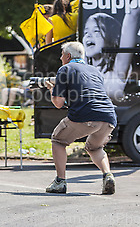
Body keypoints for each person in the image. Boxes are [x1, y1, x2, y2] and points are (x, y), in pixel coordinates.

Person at [45, 42, 117, 195]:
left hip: (86, 114)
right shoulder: (95, 70)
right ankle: (108, 175)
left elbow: (58, 103)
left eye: (62, 54)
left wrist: (52, 90)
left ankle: (60, 181)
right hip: (108, 116)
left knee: (58, 141)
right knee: (95, 147)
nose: (60, 57)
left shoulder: (65, 69)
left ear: (68, 56)